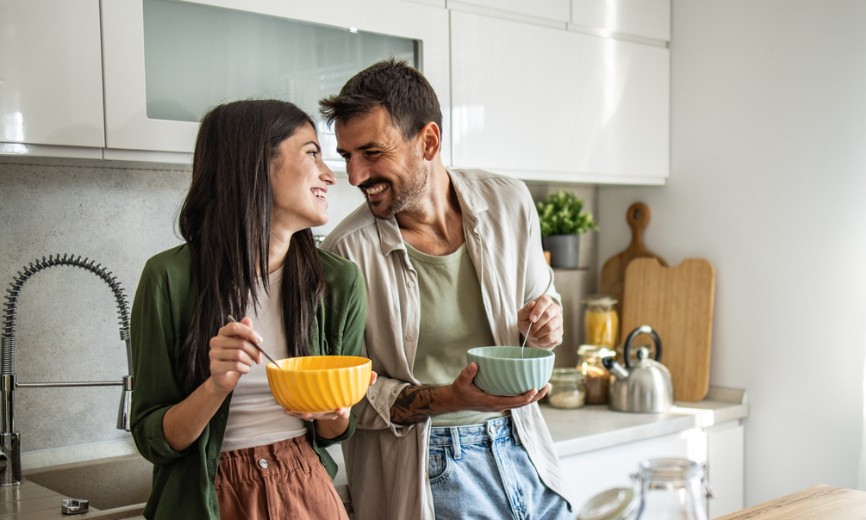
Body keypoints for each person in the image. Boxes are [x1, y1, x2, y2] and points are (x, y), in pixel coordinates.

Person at [318, 58, 574, 519]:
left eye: (371, 153)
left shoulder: (509, 202)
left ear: (429, 141)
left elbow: (544, 316)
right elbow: (350, 399)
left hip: (527, 447)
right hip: (429, 467)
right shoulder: (345, 253)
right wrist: (452, 398)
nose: (354, 176)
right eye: (346, 157)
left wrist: (546, 322)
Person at [129, 99, 372, 519]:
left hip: (306, 492)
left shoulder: (338, 281)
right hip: (207, 500)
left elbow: (335, 431)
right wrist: (215, 385)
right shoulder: (167, 279)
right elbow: (153, 438)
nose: (330, 175)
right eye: (312, 152)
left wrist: (338, 408)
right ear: (256, 162)